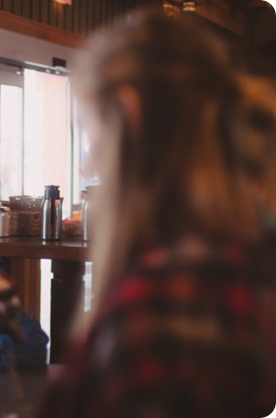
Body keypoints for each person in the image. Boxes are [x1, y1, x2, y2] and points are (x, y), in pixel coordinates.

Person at [37, 9, 276, 418]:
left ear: (131, 116)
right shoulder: (240, 256)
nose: (91, 159)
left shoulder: (157, 310)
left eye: (93, 133)